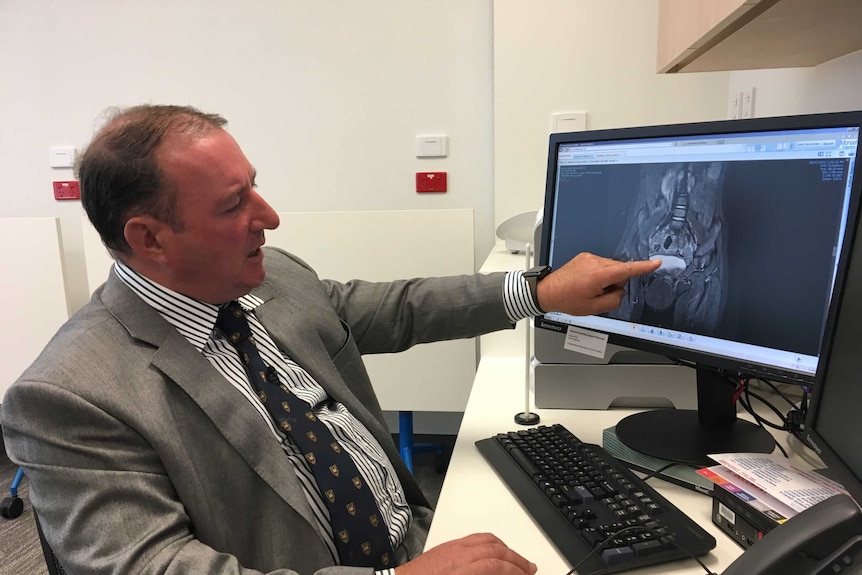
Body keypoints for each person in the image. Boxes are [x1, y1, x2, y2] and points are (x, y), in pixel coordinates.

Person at [1, 105, 660, 575]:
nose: (270, 216)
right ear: (149, 238)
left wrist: (541, 291)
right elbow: (154, 566)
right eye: (234, 204)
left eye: (253, 184)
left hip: (427, 535)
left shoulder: (271, 275)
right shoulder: (69, 395)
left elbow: (399, 308)